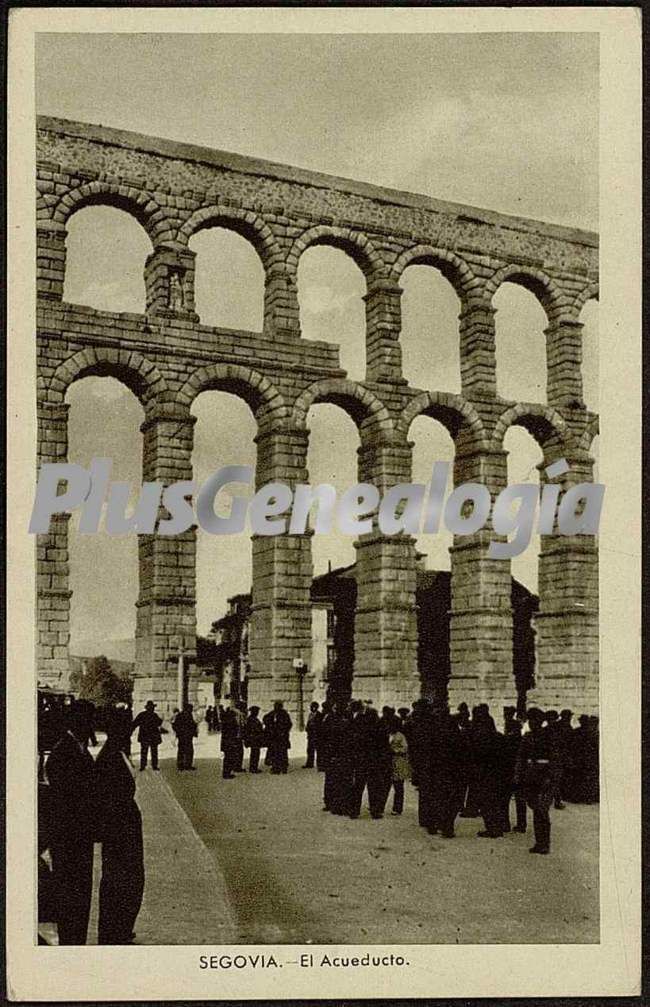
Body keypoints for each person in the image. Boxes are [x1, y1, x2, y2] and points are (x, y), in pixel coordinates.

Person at [44, 700, 98, 945]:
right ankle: (71, 945)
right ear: (78, 721)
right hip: (69, 839)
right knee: (71, 896)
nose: (92, 725)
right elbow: (70, 799)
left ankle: (77, 940)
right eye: (89, 719)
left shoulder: (77, 748)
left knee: (80, 896)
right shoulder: (63, 752)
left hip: (78, 837)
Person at [95, 712, 145, 944]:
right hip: (118, 829)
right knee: (119, 880)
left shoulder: (119, 753)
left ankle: (122, 927)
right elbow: (106, 797)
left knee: (130, 879)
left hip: (126, 827)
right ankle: (113, 931)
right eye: (127, 731)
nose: (131, 735)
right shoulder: (110, 757)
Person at [514, 707, 561, 854]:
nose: (532, 723)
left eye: (535, 720)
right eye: (530, 720)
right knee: (535, 808)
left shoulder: (549, 736)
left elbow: (555, 760)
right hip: (531, 777)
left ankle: (544, 843)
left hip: (545, 777)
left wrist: (551, 777)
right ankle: (539, 842)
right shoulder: (527, 737)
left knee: (542, 810)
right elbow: (521, 758)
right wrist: (518, 774)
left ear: (541, 721)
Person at [131, 700, 163, 771]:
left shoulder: (142, 715)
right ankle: (154, 766)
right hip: (153, 737)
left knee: (144, 751)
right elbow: (159, 723)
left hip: (144, 736)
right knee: (154, 752)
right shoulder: (154, 715)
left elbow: (135, 724)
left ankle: (143, 766)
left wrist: (130, 731)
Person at [389, 721, 411, 815]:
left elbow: (405, 748)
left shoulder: (400, 736)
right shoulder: (389, 735)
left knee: (398, 786)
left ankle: (398, 808)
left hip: (398, 762)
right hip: (390, 761)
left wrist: (395, 750)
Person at [264, 701, 293, 773]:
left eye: (277, 706)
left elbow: (289, 724)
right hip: (275, 737)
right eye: (275, 706)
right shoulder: (272, 713)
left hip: (281, 737)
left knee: (282, 753)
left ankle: (283, 768)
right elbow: (265, 719)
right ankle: (276, 768)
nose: (276, 707)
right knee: (275, 753)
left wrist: (284, 731)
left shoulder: (284, 714)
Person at [172, 703, 198, 771]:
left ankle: (183, 765)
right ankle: (185, 765)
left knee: (184, 750)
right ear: (187, 709)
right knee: (186, 750)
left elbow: (174, 725)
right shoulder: (184, 715)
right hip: (185, 736)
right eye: (190, 709)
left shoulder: (184, 715)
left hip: (185, 736)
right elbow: (175, 725)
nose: (191, 710)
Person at [220, 707, 241, 779]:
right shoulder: (231, 722)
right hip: (230, 742)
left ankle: (227, 772)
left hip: (227, 742)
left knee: (228, 757)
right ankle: (227, 773)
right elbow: (233, 732)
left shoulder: (226, 722)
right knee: (229, 758)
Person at [243, 706, 265, 773]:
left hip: (254, 739)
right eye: (257, 711)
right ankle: (253, 768)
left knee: (254, 753)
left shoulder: (251, 719)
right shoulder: (252, 719)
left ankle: (253, 767)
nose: (257, 713)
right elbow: (255, 729)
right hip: (254, 739)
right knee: (255, 754)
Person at [304, 701, 323, 769]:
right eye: (311, 707)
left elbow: (320, 726)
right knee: (310, 750)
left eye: (313, 707)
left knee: (319, 751)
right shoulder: (310, 715)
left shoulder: (320, 715)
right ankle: (309, 763)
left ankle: (320, 764)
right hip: (311, 736)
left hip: (317, 736)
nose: (312, 708)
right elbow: (309, 724)